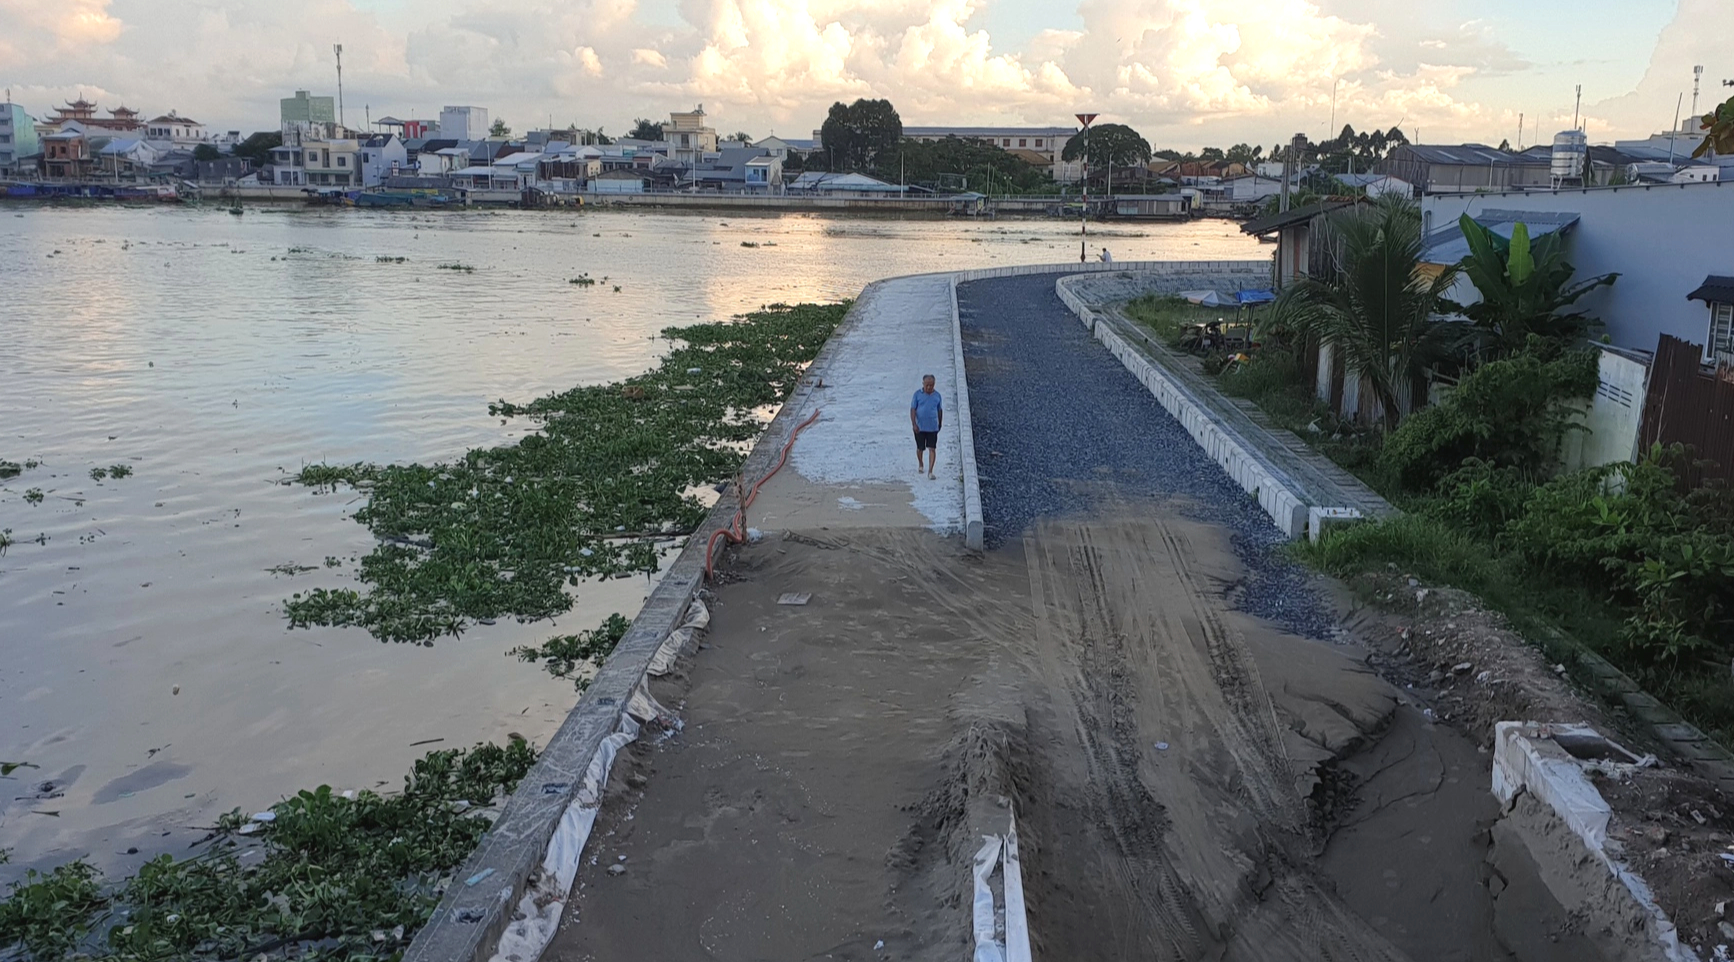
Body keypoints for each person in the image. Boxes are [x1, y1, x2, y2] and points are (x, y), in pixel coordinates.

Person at [909, 374, 943, 480]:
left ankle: (930, 471)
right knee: (920, 448)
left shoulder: (937, 396)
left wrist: (940, 423)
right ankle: (921, 463)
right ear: (923, 384)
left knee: (932, 448)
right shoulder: (917, 395)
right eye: (927, 385)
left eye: (931, 385)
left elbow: (939, 410)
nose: (929, 387)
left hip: (932, 427)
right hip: (919, 427)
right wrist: (914, 424)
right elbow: (913, 409)